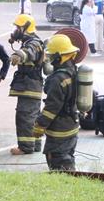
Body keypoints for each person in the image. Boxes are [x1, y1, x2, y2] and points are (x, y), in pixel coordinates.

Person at [32, 34, 80, 171]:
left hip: (59, 130)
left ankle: (65, 186)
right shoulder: (73, 72)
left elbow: (52, 107)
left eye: (52, 56)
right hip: (72, 125)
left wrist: (39, 125)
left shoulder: (57, 79)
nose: (50, 59)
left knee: (59, 162)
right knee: (68, 157)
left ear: (60, 57)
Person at [8, 14, 45, 155]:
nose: (15, 30)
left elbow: (29, 53)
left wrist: (19, 55)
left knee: (25, 116)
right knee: (33, 117)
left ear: (25, 27)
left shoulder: (34, 43)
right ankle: (34, 145)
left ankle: (25, 147)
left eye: (18, 27)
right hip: (30, 86)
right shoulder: (29, 41)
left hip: (29, 87)